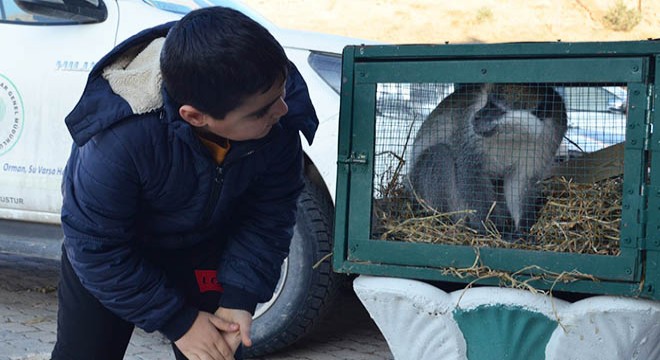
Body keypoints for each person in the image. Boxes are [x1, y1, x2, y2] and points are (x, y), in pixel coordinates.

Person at [51, 6, 318, 360]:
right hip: (117, 256)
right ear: (195, 116)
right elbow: (94, 246)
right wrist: (179, 322)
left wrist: (239, 299)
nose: (282, 109)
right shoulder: (118, 139)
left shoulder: (273, 110)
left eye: (281, 93)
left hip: (205, 248)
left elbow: (268, 216)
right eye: (260, 112)